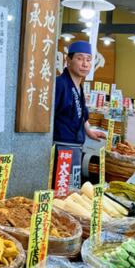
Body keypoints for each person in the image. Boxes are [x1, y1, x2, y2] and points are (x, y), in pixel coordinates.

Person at [52, 40, 107, 189]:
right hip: (62, 148)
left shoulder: (78, 87)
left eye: (88, 60)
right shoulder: (60, 84)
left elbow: (81, 112)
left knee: (73, 190)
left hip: (75, 149)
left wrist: (89, 131)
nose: (85, 64)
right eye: (80, 58)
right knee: (62, 192)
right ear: (68, 60)